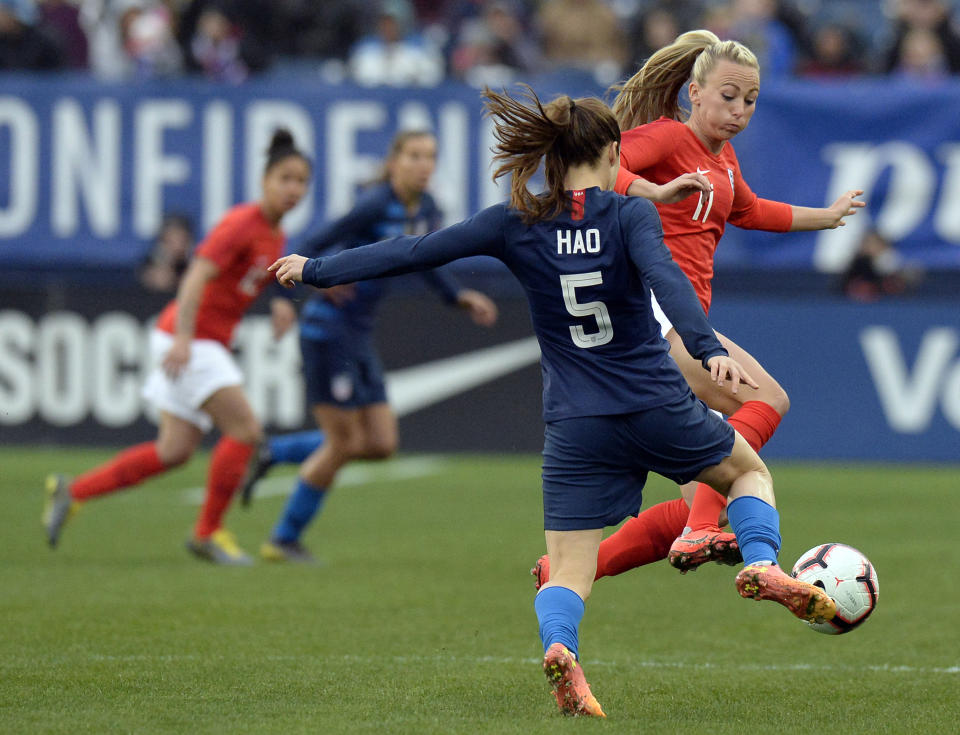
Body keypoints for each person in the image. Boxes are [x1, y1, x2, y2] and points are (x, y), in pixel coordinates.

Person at [268, 87, 837, 717]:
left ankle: (562, 650)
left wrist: (314, 269)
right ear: (614, 151)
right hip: (653, 401)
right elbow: (668, 283)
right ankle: (761, 562)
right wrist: (706, 349)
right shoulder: (629, 216)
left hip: (575, 421)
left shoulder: (514, 223)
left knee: (567, 565)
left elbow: (411, 252)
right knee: (745, 472)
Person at [533, 29, 865, 589]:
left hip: (676, 325)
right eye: (729, 96)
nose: (740, 110)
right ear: (694, 92)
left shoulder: (724, 160)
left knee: (701, 495)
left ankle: (560, 573)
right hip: (654, 315)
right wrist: (656, 194)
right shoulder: (665, 138)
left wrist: (824, 216)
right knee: (767, 399)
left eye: (751, 100)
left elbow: (754, 210)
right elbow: (606, 170)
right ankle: (706, 533)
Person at [42, 129, 311, 565]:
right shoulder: (242, 223)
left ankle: (73, 492)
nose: (293, 189)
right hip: (192, 339)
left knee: (174, 451)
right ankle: (207, 533)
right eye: (285, 178)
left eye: (301, 181)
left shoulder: (275, 236)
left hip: (200, 340)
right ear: (265, 180)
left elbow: (250, 280)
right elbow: (195, 276)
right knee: (246, 431)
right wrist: (184, 338)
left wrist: (280, 302)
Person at [242, 129, 498, 564]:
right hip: (327, 332)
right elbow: (310, 245)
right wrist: (295, 292)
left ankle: (278, 451)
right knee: (341, 444)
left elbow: (425, 257)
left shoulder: (428, 207)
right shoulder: (375, 204)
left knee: (381, 443)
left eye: (430, 156)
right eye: (414, 155)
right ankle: (282, 539)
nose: (423, 165)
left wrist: (456, 296)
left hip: (358, 333)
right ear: (394, 161)